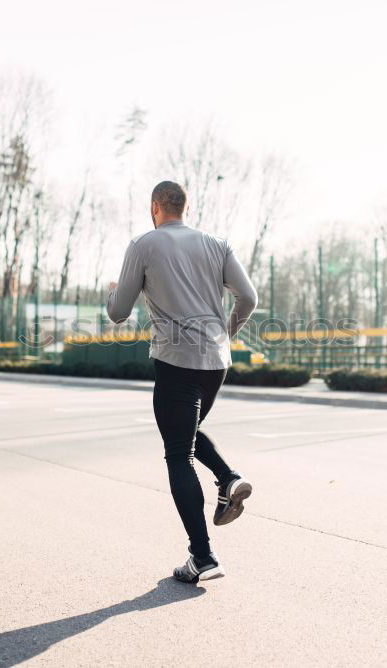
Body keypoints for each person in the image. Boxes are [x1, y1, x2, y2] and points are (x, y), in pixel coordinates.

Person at [106, 180, 258, 584]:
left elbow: (119, 312)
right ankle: (228, 478)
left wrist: (112, 294)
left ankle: (203, 556)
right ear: (184, 207)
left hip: (176, 361)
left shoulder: (144, 244)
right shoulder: (217, 244)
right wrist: (227, 332)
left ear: (156, 207)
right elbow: (249, 298)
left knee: (178, 453)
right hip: (215, 363)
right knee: (188, 434)